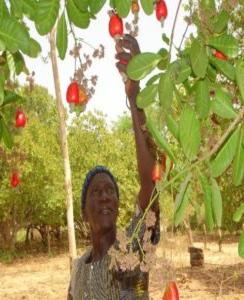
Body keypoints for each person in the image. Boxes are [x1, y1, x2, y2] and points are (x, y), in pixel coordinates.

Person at [67, 34, 160, 300]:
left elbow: (150, 182)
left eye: (110, 191)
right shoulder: (77, 271)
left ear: (119, 205)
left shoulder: (133, 248)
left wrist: (135, 98)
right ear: (85, 211)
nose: (105, 195)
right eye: (95, 192)